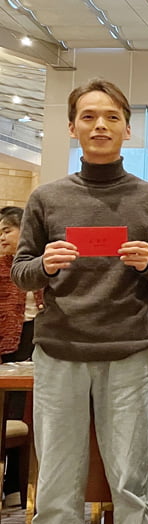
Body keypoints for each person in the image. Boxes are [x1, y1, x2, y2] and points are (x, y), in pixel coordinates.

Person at [2, 78, 148, 524]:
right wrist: (45, 265)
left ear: (127, 128)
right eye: (88, 116)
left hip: (128, 352)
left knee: (131, 478)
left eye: (111, 117)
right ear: (73, 127)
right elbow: (21, 271)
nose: (100, 125)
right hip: (59, 352)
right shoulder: (47, 198)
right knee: (56, 479)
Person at [0, 206, 43, 507]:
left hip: (34, 338)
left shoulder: (40, 264)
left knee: (22, 414)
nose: (2, 237)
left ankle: (16, 486)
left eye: (7, 230)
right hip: (5, 343)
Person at [0, 206, 43, 363]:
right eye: (0, 234)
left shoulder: (44, 262)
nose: (2, 238)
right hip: (8, 340)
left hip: (42, 335)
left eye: (7, 231)